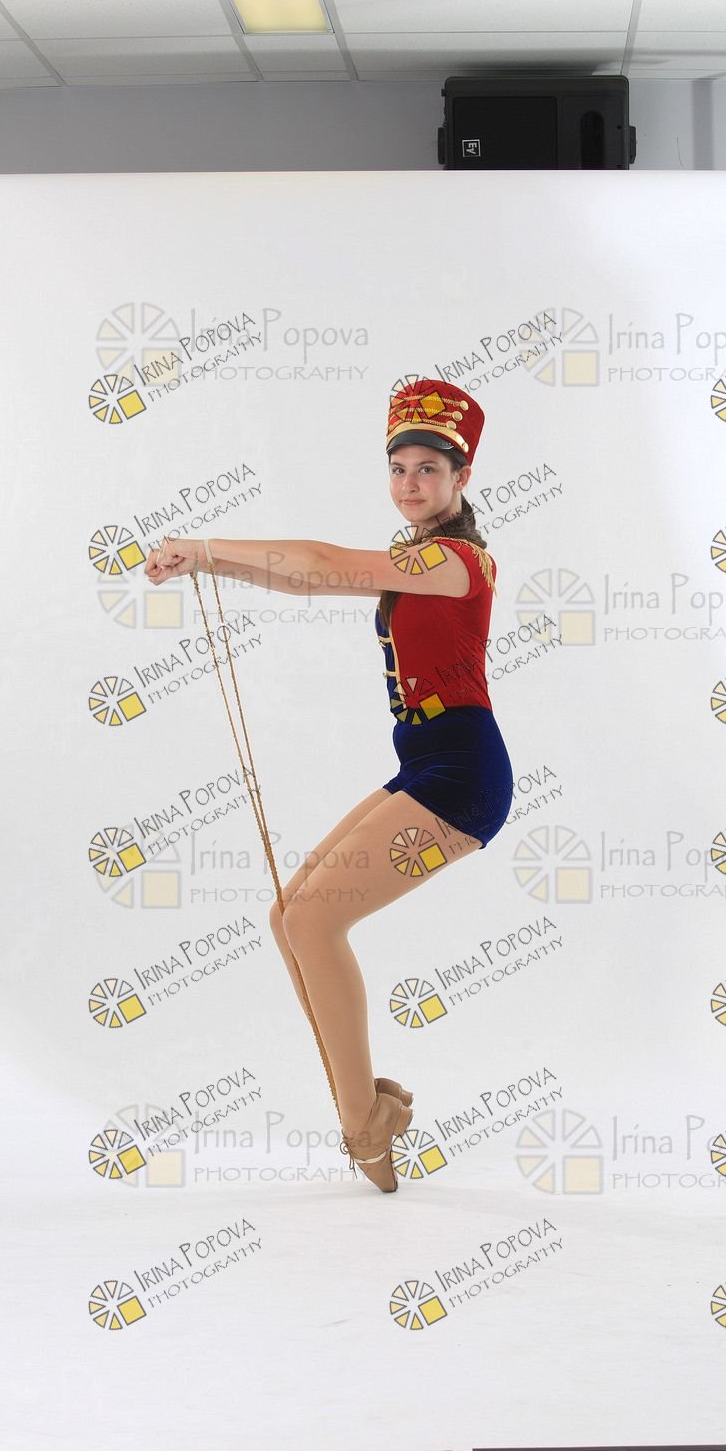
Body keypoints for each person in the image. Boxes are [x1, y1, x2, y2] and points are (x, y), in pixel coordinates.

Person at [143, 377, 514, 1193]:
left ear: (461, 479)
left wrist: (204, 545)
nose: (410, 483)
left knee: (315, 922)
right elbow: (302, 578)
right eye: (399, 469)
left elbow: (320, 566)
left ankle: (363, 1124)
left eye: (428, 469)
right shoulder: (415, 560)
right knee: (289, 918)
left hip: (463, 777)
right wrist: (208, 561)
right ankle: (366, 1108)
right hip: (425, 763)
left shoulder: (455, 561)